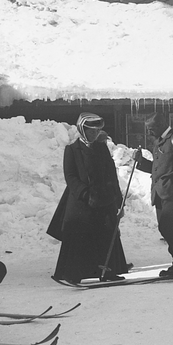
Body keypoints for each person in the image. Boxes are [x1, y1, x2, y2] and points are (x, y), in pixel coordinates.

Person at [48, 112, 128, 283]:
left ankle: (107, 272)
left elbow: (111, 175)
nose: (95, 134)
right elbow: (70, 177)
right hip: (82, 201)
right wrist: (85, 194)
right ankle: (73, 274)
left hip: (104, 199)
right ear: (82, 130)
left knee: (106, 234)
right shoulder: (72, 149)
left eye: (97, 131)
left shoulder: (101, 148)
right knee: (79, 236)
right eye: (91, 131)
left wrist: (117, 199)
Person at [132, 112, 173, 278]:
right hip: (160, 192)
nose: (149, 133)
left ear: (161, 125)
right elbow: (159, 168)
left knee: (167, 226)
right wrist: (141, 162)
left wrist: (171, 181)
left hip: (171, 192)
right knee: (165, 227)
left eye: (151, 129)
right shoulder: (160, 141)